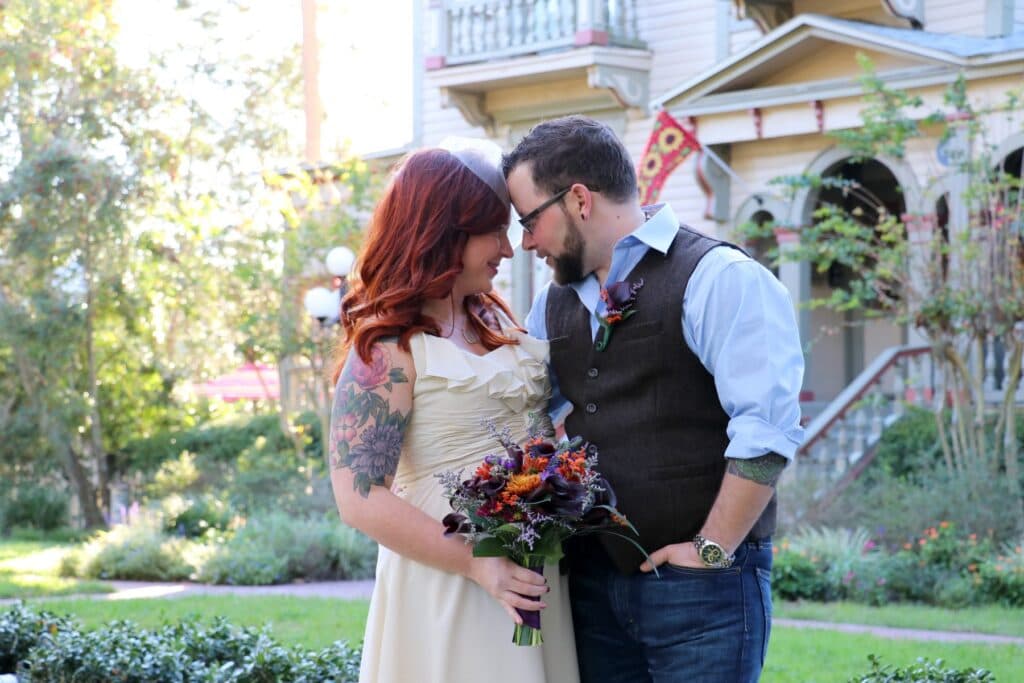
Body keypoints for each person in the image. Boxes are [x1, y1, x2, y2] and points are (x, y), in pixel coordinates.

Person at [503, 115, 805, 683]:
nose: (525, 242)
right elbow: (537, 418)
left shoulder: (719, 277)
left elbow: (769, 429)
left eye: (529, 220)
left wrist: (711, 551)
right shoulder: (550, 306)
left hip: (704, 596)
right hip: (592, 590)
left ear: (579, 199)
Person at [329, 145, 579, 683]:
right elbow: (358, 497)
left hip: (532, 572)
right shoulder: (386, 346)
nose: (509, 250)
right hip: (448, 580)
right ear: (446, 230)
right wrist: (474, 562)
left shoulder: (493, 318)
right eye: (494, 232)